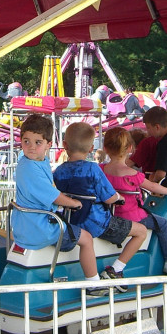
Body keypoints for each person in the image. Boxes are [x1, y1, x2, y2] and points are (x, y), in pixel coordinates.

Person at [11, 114, 108, 297]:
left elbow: (49, 189)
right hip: (39, 227)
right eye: (26, 141)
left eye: (37, 142)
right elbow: (53, 196)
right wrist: (75, 203)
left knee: (71, 229)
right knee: (86, 238)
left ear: (48, 144)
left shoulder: (36, 162)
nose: (31, 147)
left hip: (29, 222)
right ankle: (94, 284)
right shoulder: (29, 168)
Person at [53, 122, 147, 288]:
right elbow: (109, 197)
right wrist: (119, 197)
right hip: (97, 222)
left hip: (73, 220)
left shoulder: (59, 171)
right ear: (91, 149)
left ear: (65, 145)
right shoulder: (93, 169)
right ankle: (116, 270)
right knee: (141, 231)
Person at [102, 127, 167, 274]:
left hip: (109, 216)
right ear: (130, 148)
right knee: (163, 223)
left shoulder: (101, 170)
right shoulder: (133, 174)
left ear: (105, 148)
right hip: (132, 218)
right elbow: (152, 186)